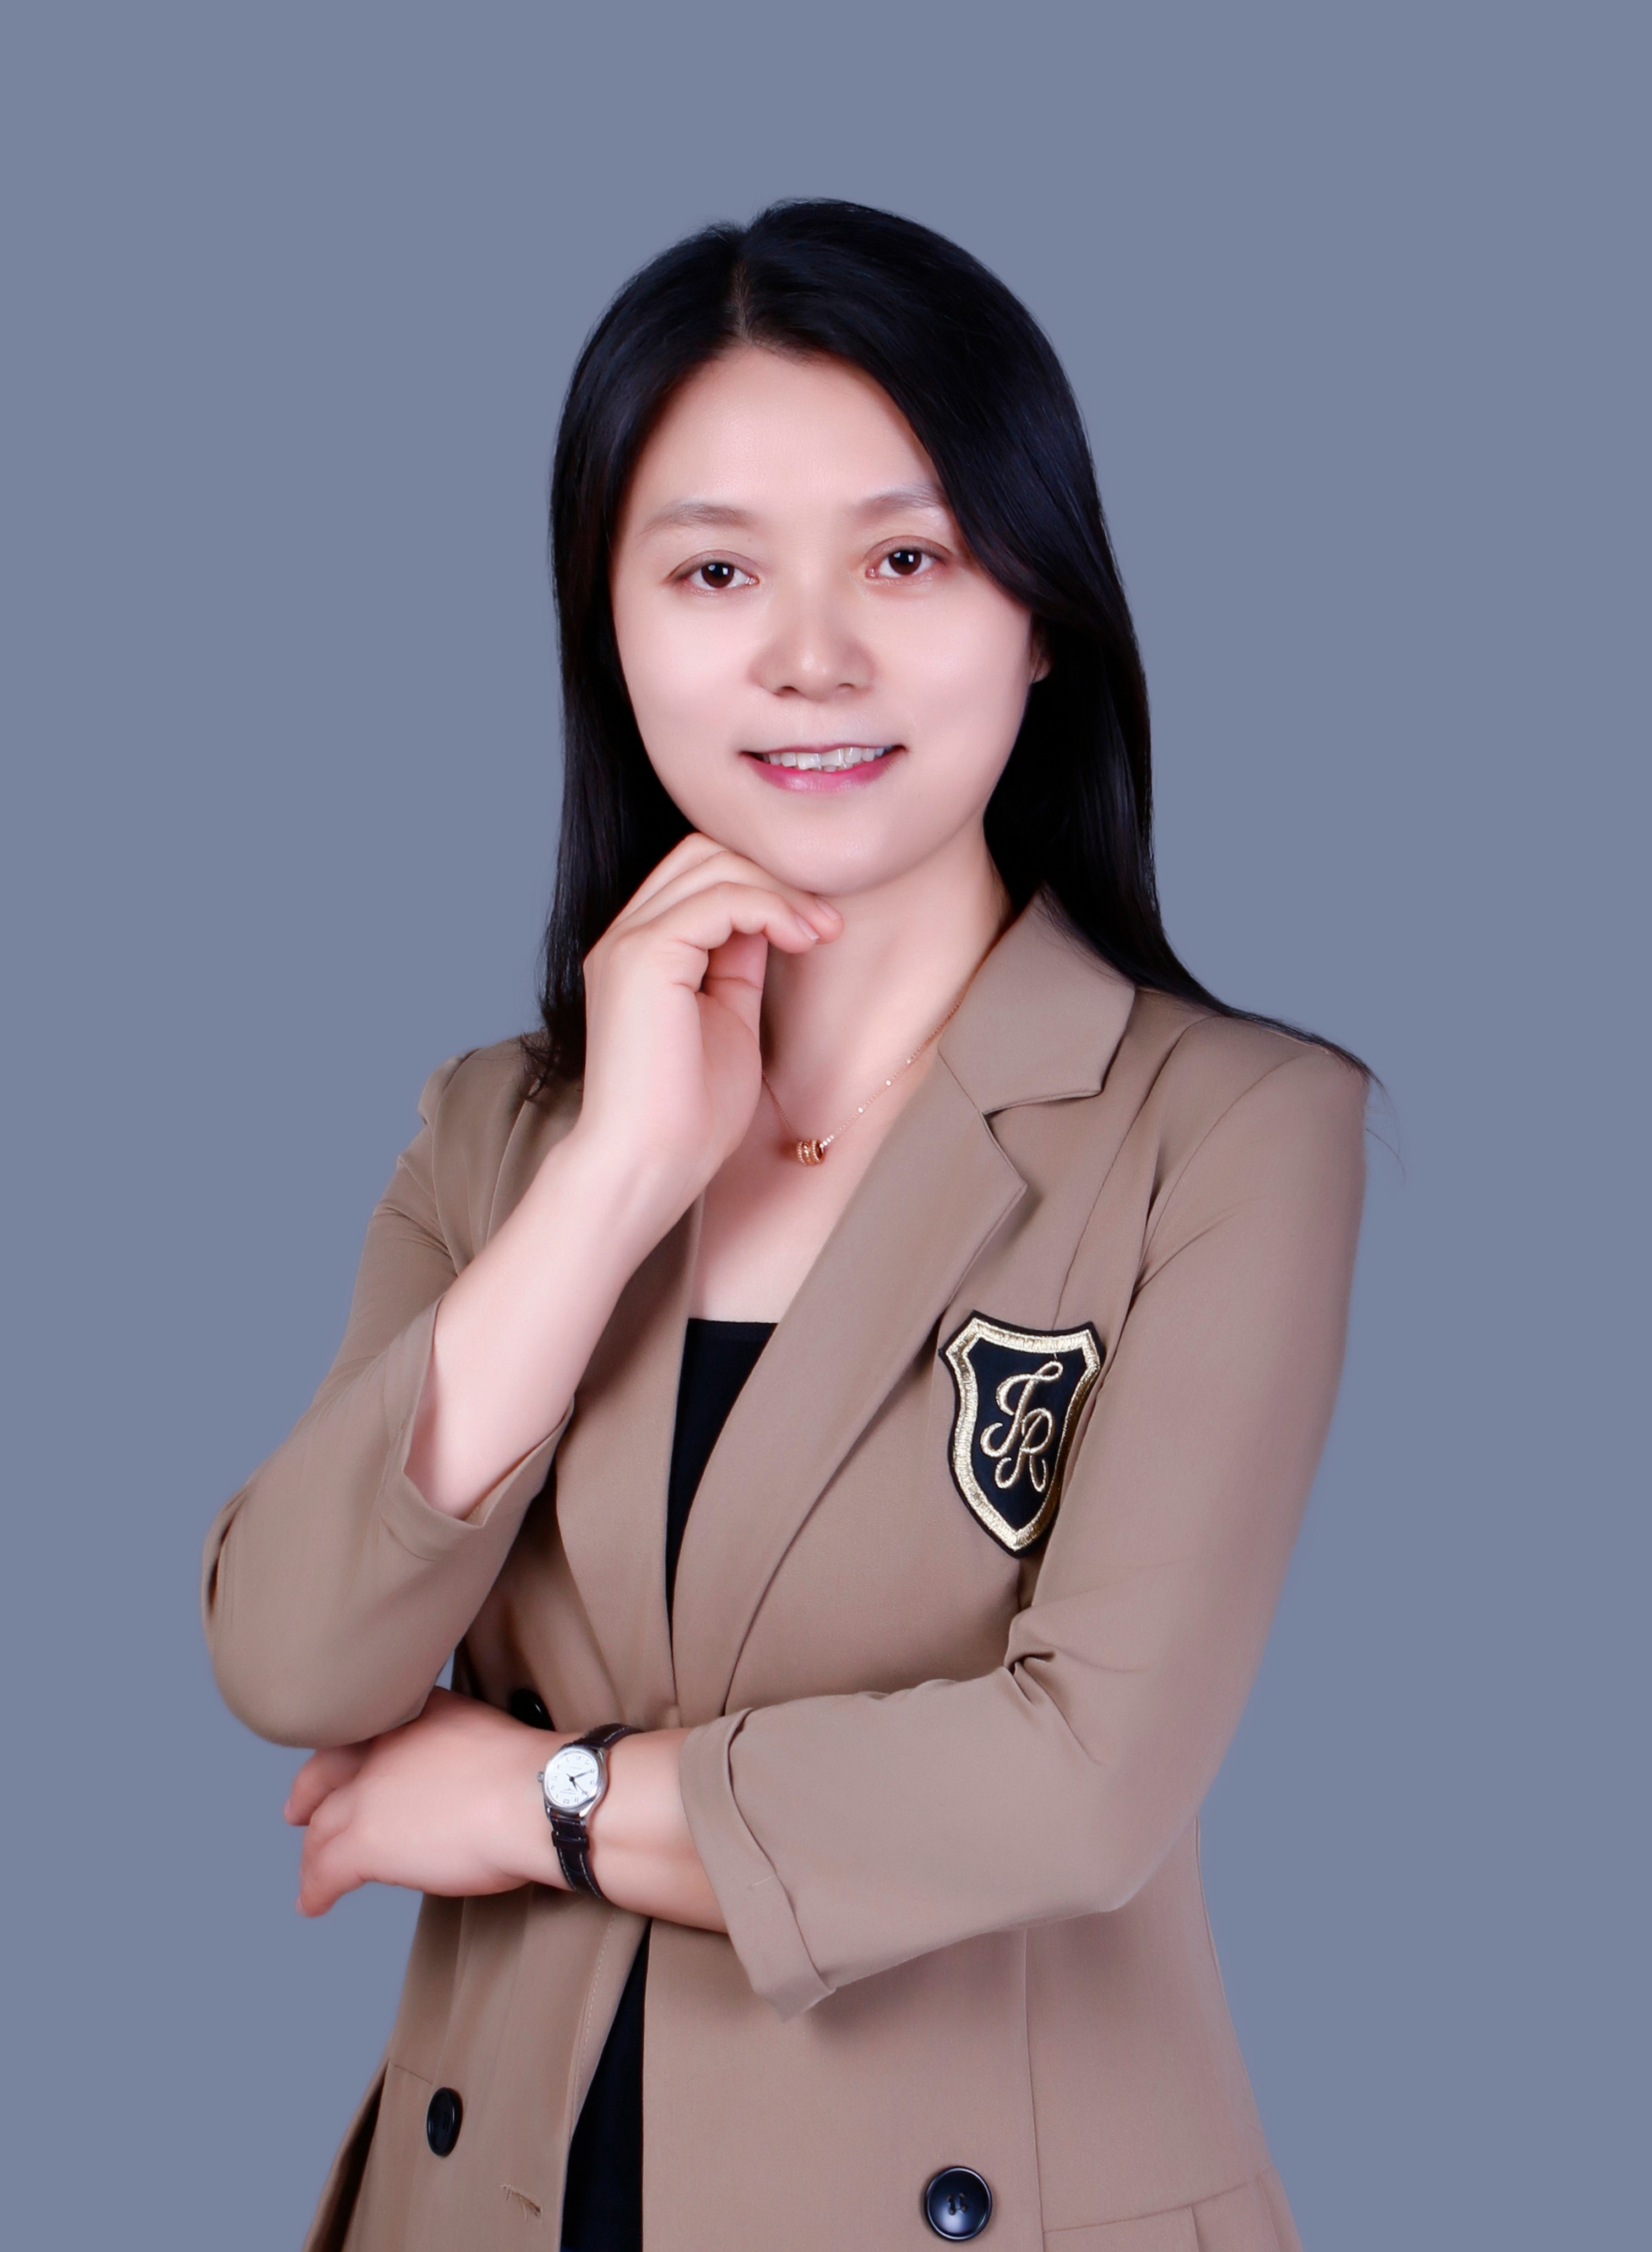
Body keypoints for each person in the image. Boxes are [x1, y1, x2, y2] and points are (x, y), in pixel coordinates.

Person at [203, 200, 1368, 2252]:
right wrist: (616, 1174)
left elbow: (1080, 1780)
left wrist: (538, 1800)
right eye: (716, 569)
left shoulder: (1229, 1131)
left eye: (906, 559)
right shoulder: (499, 1127)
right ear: (611, 625)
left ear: (1043, 612)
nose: (810, 655)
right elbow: (298, 1653)